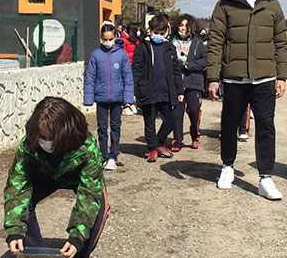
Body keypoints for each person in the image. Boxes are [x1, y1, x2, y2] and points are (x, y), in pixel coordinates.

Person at [4, 97, 109, 258]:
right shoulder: (28, 145)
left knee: (99, 205)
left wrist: (77, 236)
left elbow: (89, 195)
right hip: (45, 175)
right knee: (24, 202)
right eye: (42, 137)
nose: (46, 142)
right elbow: (17, 186)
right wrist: (14, 230)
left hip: (77, 177)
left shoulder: (87, 148)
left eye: (51, 138)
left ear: (66, 133)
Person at [206, 0, 287, 200]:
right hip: (234, 78)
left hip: (264, 79)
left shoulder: (272, 4)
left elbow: (280, 42)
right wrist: (213, 77)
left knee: (266, 127)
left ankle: (265, 178)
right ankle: (227, 167)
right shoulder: (225, 3)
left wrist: (282, 75)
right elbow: (215, 42)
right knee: (229, 125)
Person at [132, 13, 184, 162]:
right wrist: (135, 91)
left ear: (166, 32)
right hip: (148, 91)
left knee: (171, 119)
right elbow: (136, 70)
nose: (158, 36)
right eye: (156, 33)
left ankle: (160, 143)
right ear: (150, 31)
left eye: (161, 33)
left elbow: (176, 71)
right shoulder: (142, 48)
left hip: (167, 92)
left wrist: (179, 91)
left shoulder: (169, 48)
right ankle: (152, 149)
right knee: (150, 122)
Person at [83, 22, 134, 169]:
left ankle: (114, 155)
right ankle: (104, 156)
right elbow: (90, 77)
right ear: (101, 38)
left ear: (115, 37)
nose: (108, 42)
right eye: (105, 39)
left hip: (117, 98)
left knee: (116, 126)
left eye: (110, 39)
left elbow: (127, 78)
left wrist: (128, 98)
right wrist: (88, 98)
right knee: (102, 128)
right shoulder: (96, 55)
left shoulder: (122, 54)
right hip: (101, 98)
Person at [170, 14, 207, 150]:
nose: (183, 28)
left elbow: (205, 60)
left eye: (186, 25)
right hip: (176, 82)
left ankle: (194, 134)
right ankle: (177, 140)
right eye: (181, 25)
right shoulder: (171, 41)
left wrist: (189, 65)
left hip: (193, 82)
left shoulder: (198, 42)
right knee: (177, 112)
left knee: (193, 110)